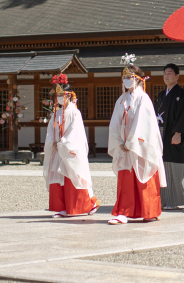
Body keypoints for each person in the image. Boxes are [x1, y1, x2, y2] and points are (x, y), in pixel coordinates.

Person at [108, 62, 165, 224]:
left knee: (144, 177)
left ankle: (149, 211)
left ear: (139, 79)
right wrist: (119, 141)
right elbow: (114, 123)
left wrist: (131, 142)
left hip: (140, 145)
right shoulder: (121, 99)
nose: (126, 80)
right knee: (126, 178)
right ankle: (124, 212)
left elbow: (143, 123)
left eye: (130, 77)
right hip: (124, 145)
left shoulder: (143, 98)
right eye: (124, 77)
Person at [44, 73, 100, 219]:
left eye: (63, 94)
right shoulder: (56, 113)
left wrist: (63, 143)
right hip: (58, 149)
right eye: (58, 95)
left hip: (69, 149)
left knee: (72, 176)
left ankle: (85, 205)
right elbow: (51, 130)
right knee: (58, 177)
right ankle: (62, 207)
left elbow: (75, 132)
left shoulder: (75, 112)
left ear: (69, 95)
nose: (60, 98)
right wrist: (53, 143)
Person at [155, 63, 184, 211]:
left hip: (175, 135)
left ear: (177, 76)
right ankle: (165, 199)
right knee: (163, 166)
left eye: (170, 73)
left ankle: (177, 199)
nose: (166, 76)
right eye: (165, 73)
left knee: (175, 167)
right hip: (161, 134)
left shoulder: (182, 94)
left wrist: (178, 133)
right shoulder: (160, 95)